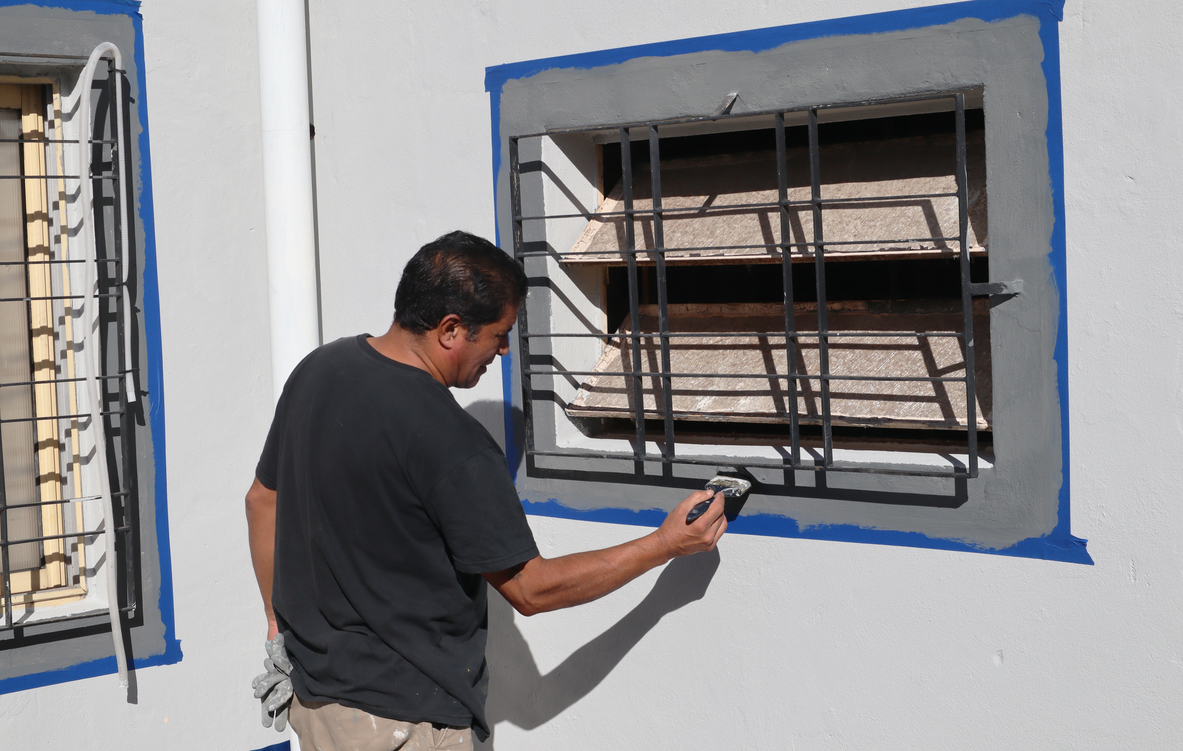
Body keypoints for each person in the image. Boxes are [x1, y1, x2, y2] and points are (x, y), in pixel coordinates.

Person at [246, 230, 727, 751]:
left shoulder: (320, 369)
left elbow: (261, 501)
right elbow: (531, 590)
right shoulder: (451, 440)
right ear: (451, 329)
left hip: (317, 706)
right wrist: (665, 544)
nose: (502, 350)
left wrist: (277, 624)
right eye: (499, 334)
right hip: (402, 723)